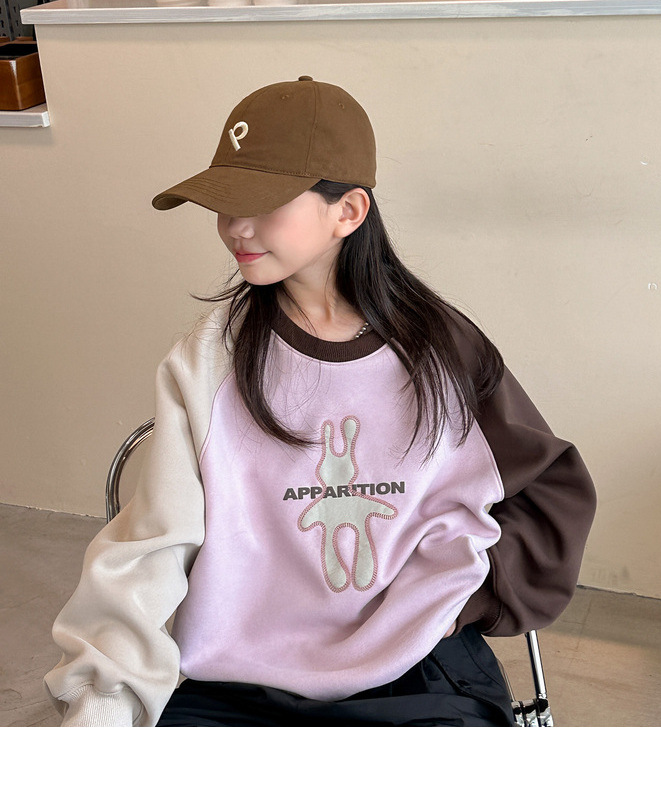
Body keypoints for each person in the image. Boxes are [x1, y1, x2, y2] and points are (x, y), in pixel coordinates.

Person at [44, 76, 596, 727]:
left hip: (417, 669)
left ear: (349, 212)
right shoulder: (210, 356)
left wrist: (459, 603)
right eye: (224, 204)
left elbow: (553, 490)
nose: (235, 227)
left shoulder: (444, 350)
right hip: (237, 678)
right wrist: (105, 697)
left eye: (263, 203)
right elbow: (154, 541)